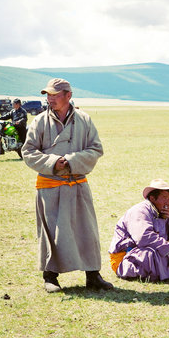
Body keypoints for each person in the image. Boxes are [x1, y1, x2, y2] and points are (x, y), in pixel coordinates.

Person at [22, 78, 113, 293]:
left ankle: (93, 275)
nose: (49, 98)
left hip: (77, 182)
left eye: (54, 94)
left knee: (86, 229)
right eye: (48, 95)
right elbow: (28, 151)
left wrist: (71, 161)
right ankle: (50, 277)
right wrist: (54, 162)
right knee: (51, 231)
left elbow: (96, 149)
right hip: (49, 185)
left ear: (68, 96)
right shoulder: (39, 121)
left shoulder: (84, 120)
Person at [109, 179, 169, 281]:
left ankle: (167, 269)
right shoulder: (140, 211)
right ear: (152, 198)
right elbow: (143, 237)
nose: (168, 202)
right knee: (150, 256)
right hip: (126, 256)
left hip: (149, 250)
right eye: (164, 197)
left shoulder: (161, 212)